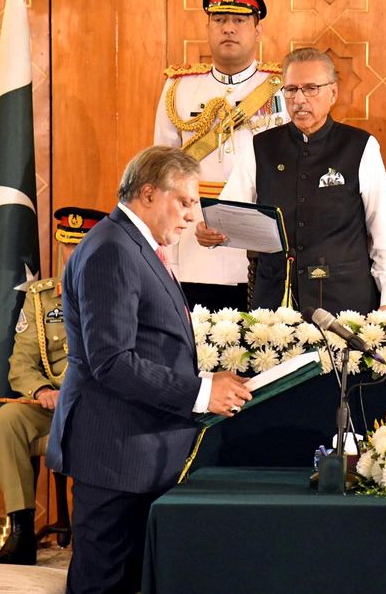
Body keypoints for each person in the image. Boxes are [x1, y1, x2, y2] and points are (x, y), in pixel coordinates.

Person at [46, 146, 252, 594]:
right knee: (103, 582)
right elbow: (112, 361)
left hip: (136, 448)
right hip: (114, 451)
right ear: (148, 193)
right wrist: (201, 393)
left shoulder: (134, 244)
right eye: (185, 202)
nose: (192, 217)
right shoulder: (112, 249)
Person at [196, 47, 386, 315]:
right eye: (291, 89)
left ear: (333, 93)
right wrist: (211, 232)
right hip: (277, 302)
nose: (299, 99)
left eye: (311, 88)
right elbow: (228, 213)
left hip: (343, 302)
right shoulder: (261, 146)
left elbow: (382, 229)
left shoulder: (360, 146)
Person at [154, 0, 287, 312]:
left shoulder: (279, 87)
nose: (228, 28)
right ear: (208, 27)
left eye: (240, 20)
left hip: (257, 240)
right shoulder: (179, 88)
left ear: (258, 29)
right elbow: (161, 171)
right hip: (193, 240)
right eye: (219, 20)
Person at [0, 207, 105, 565]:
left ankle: (89, 534)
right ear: (59, 248)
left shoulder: (110, 293)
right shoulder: (40, 297)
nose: (73, 255)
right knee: (7, 419)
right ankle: (21, 535)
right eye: (68, 247)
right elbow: (20, 363)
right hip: (49, 407)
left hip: (94, 407)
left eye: (82, 246)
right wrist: (40, 391)